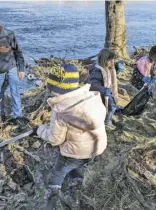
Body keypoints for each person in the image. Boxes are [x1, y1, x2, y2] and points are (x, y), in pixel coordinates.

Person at [30, 64, 107, 209]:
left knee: (58, 172)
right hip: (95, 148)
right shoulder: (93, 97)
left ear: (57, 89)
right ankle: (77, 185)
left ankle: (52, 197)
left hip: (73, 152)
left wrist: (39, 130)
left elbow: (55, 139)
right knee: (79, 163)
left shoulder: (60, 111)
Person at [89, 48, 121, 126]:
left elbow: (112, 72)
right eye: (110, 60)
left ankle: (108, 118)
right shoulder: (97, 71)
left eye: (113, 60)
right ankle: (107, 121)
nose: (112, 62)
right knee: (110, 107)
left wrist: (119, 66)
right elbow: (94, 84)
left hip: (107, 92)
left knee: (112, 106)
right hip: (100, 94)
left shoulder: (107, 67)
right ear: (103, 60)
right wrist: (104, 90)